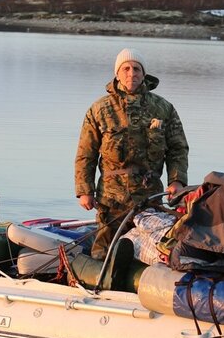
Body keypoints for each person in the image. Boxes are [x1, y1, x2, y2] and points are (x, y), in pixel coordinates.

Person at [75, 48, 190, 259]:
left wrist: (177, 181)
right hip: (111, 200)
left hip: (150, 198)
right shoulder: (100, 109)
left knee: (150, 253)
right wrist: (85, 191)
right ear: (117, 74)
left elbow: (178, 149)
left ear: (143, 74)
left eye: (136, 68)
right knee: (103, 253)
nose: (131, 73)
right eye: (126, 68)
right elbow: (86, 154)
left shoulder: (163, 108)